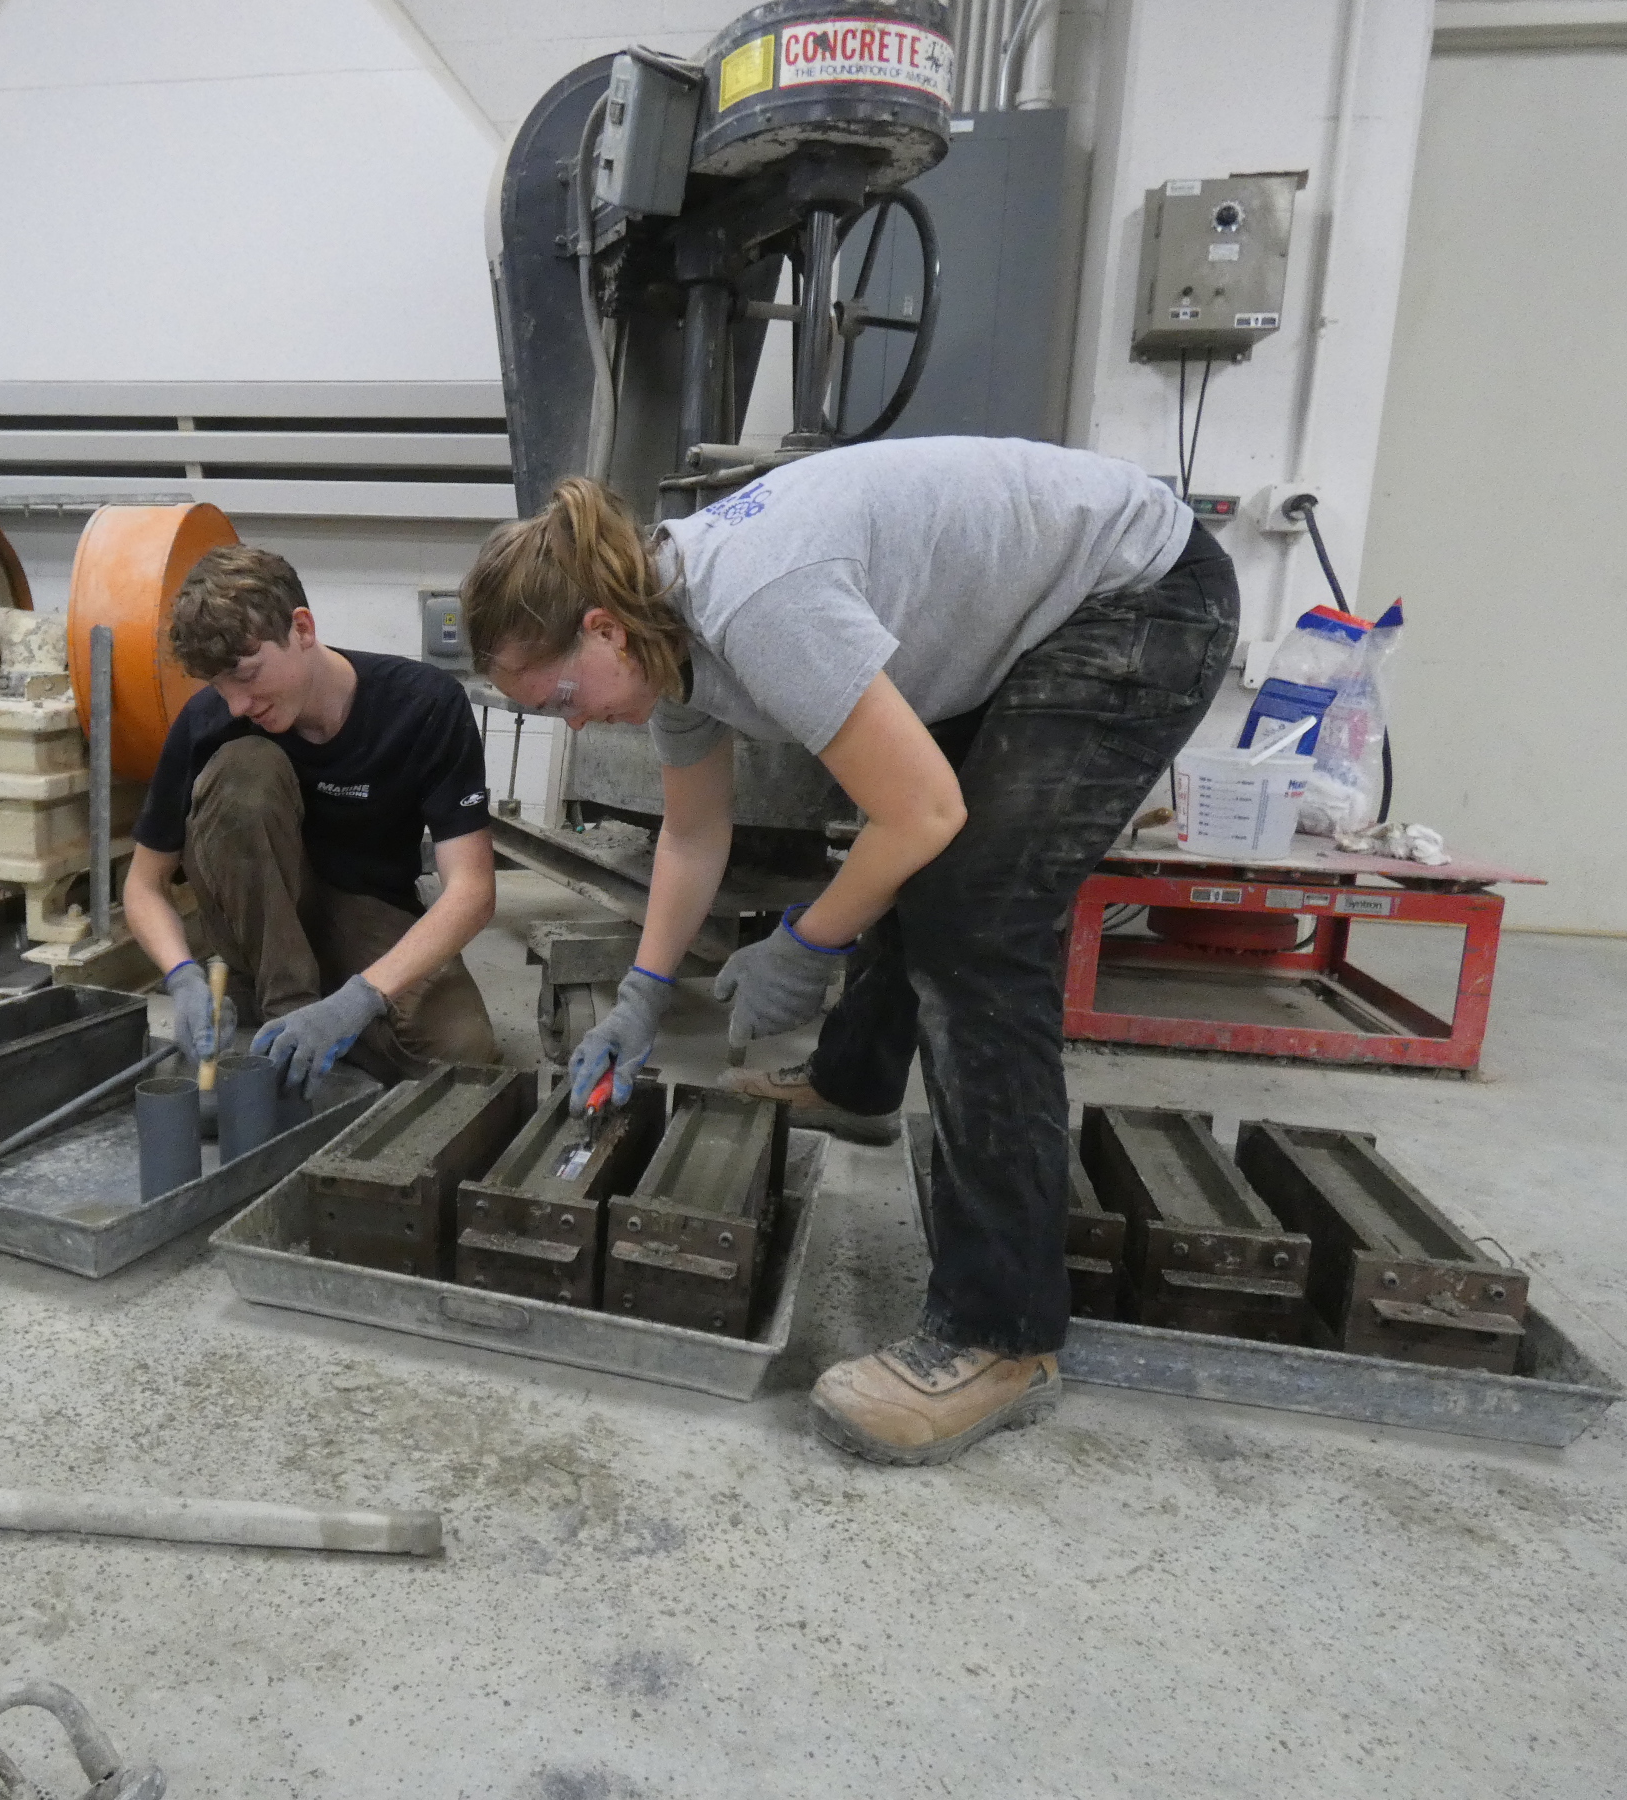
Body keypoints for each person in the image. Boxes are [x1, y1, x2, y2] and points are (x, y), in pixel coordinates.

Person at [459, 438, 1236, 1466]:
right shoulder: (660, 633)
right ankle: (856, 1084)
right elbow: (693, 834)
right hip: (1042, 613)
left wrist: (805, 944)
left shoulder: (756, 604)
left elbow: (923, 814)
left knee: (977, 921)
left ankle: (1002, 1334)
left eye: (563, 698)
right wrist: (642, 992)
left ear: (601, 627)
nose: (578, 720)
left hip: (1136, 596)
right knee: (919, 853)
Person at [122, 545, 502, 1096]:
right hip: (257, 919)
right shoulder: (209, 722)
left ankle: (322, 1006)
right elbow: (144, 884)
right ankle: (285, 1006)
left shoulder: (423, 706)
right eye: (219, 687)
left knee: (462, 1052)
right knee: (246, 769)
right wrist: (180, 974)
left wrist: (358, 1001)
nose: (237, 704)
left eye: (247, 674)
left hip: (365, 910)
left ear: (301, 628)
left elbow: (472, 890)